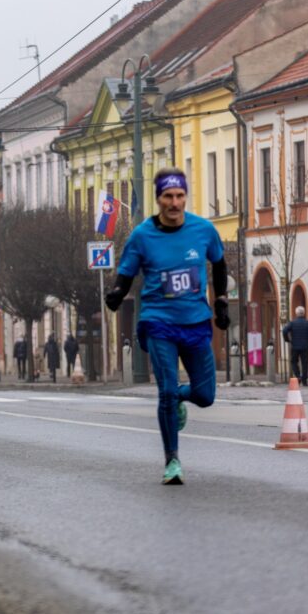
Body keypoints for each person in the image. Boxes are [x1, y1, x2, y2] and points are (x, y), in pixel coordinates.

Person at [106, 167, 230, 486]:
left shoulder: (203, 230)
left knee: (205, 395)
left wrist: (221, 304)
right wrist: (118, 293)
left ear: (185, 197)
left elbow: (218, 262)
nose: (174, 203)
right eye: (168, 197)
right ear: (158, 199)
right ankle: (172, 459)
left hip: (196, 322)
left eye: (179, 196)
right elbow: (126, 272)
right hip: (158, 321)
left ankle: (179, 398)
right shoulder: (142, 236)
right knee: (166, 390)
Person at [282, 307, 308, 387]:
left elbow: (284, 330)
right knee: (305, 363)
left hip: (295, 346)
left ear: (296, 313)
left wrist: (287, 339)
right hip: (305, 346)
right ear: (304, 313)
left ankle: (298, 376)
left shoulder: (292, 323)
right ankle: (304, 380)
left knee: (293, 361)